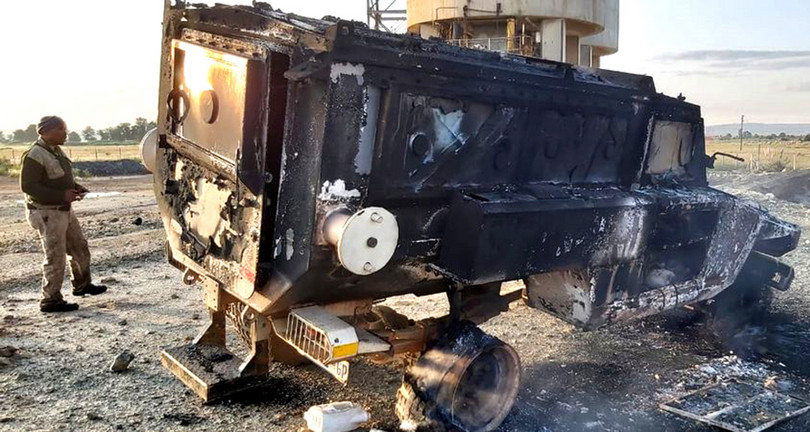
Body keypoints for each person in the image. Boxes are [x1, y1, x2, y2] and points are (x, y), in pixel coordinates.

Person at [20, 116, 108, 313]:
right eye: (61, 129)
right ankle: (50, 300)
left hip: (63, 210)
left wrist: (75, 188)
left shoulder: (56, 151)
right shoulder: (35, 154)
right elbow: (28, 186)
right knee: (55, 256)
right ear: (45, 131)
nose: (65, 133)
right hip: (47, 213)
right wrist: (61, 195)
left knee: (79, 247)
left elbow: (59, 178)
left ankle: (82, 284)